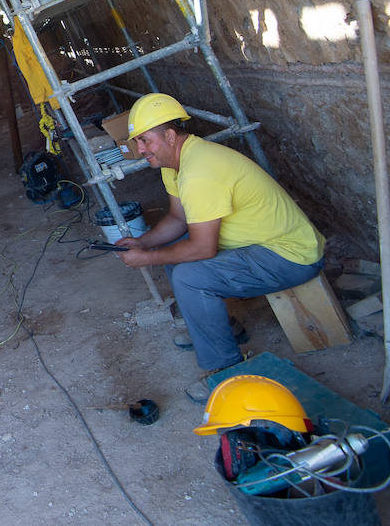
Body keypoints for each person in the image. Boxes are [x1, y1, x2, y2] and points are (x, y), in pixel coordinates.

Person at [113, 93, 325, 394]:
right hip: (259, 246)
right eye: (137, 142)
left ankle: (227, 373)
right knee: (176, 256)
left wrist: (146, 258)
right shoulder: (176, 164)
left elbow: (202, 249)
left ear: (170, 135)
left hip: (292, 255)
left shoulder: (199, 171)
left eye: (146, 140)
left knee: (189, 276)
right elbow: (178, 219)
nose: (140, 149)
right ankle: (223, 329)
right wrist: (142, 243)